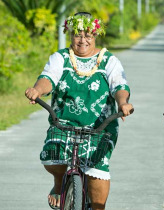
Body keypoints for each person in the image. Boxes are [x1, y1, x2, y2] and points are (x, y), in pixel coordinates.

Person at [25, 12, 133, 210]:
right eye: (77, 35)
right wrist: (37, 90)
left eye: (88, 35)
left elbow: (119, 85)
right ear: (69, 34)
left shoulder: (108, 60)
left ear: (96, 36)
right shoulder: (60, 57)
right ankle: (58, 185)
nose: (82, 40)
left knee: (96, 170)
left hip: (99, 127)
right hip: (63, 123)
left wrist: (123, 103)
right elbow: (48, 78)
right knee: (53, 155)